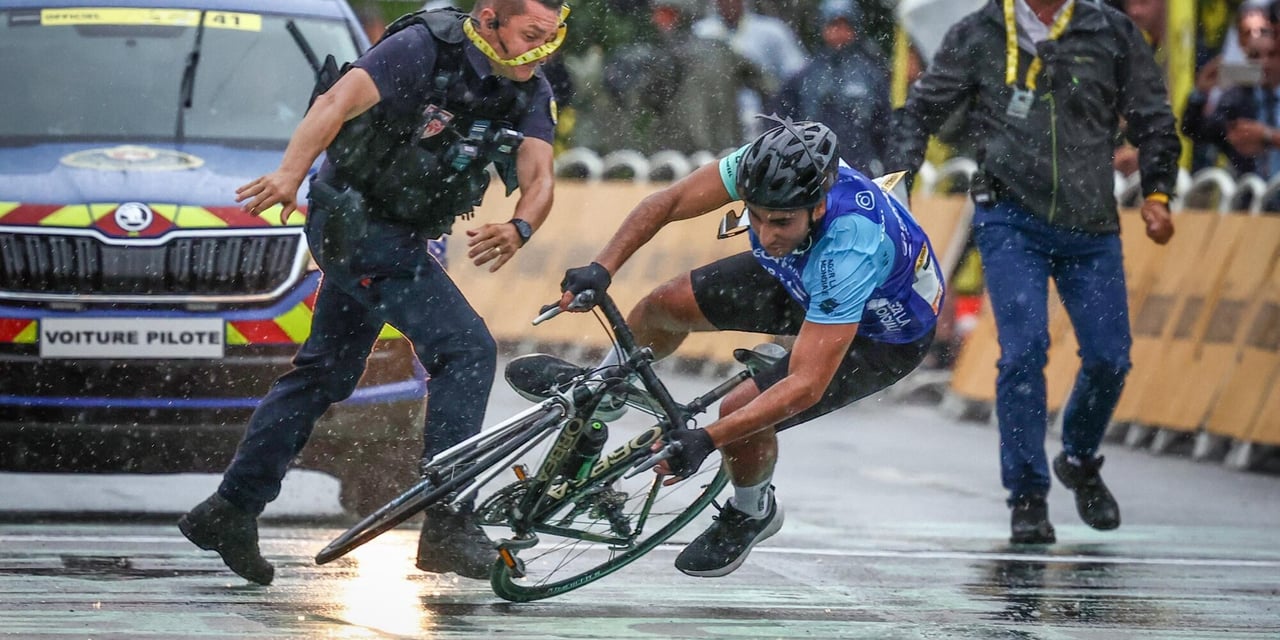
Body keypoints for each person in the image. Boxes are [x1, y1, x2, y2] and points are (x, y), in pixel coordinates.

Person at [178, 0, 565, 585]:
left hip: (399, 234)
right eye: (533, 34)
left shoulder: (528, 88)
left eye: (554, 36)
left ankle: (229, 509)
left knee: (323, 374)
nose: (544, 50)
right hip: (351, 222)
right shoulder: (422, 47)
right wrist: (288, 173)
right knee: (466, 351)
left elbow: (539, 176)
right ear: (490, 19)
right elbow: (333, 104)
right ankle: (448, 521)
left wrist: (520, 226)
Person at [507, 117, 944, 577]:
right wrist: (602, 267)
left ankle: (753, 511)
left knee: (739, 413)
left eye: (780, 221)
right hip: (801, 273)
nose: (765, 231)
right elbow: (669, 201)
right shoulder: (765, 167)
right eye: (754, 214)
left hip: (880, 331)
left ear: (818, 206)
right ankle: (611, 384)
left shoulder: (850, 246)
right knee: (663, 304)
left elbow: (806, 385)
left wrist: (705, 441)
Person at [888, 0, 1179, 545]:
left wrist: (1159, 192)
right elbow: (920, 111)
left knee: (1109, 359)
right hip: (1009, 220)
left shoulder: (1109, 30)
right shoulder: (978, 31)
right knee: (1022, 353)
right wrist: (898, 181)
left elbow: (1154, 117)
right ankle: (1027, 495)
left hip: (1090, 225)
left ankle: (1080, 458)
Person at [772, 0, 891, 174]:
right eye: (833, 25)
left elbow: (885, 127)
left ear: (855, 28)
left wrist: (886, 165)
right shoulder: (803, 77)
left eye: (845, 26)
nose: (839, 33)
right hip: (812, 169)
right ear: (822, 28)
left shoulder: (871, 76)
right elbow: (782, 123)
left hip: (860, 168)